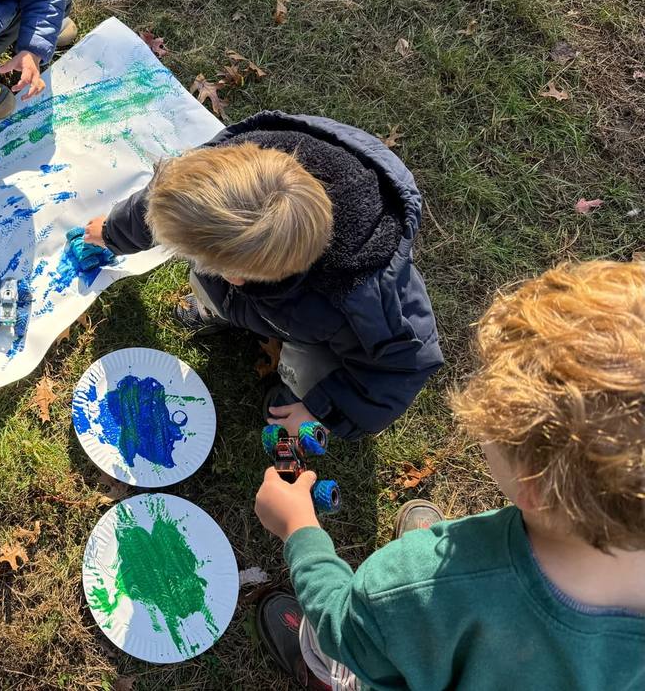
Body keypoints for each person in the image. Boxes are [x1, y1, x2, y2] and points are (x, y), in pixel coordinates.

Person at [253, 259, 645, 690]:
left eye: (490, 426)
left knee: (346, 649)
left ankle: (324, 675)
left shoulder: (420, 584)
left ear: (532, 486)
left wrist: (299, 530)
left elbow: (343, 626)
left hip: (393, 636)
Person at [83, 111, 442, 440]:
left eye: (191, 254)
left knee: (306, 375)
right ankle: (219, 309)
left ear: (237, 276)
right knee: (207, 285)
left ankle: (298, 394)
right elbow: (166, 199)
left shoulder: (365, 299)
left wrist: (321, 411)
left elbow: (402, 369)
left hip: (315, 334)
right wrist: (114, 233)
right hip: (259, 297)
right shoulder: (228, 164)